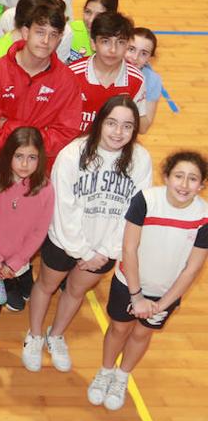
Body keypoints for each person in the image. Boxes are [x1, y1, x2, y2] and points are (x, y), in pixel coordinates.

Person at [23, 97, 152, 373]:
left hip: (105, 248)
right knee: (46, 285)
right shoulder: (73, 154)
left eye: (127, 126)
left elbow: (135, 212)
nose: (118, 132)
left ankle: (55, 335)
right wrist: (84, 251)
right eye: (112, 123)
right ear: (100, 123)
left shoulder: (140, 160)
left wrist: (106, 251)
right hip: (65, 241)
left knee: (76, 291)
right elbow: (62, 208)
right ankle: (33, 335)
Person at [91, 152, 208, 411]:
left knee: (142, 332)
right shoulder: (146, 200)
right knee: (119, 329)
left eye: (192, 179)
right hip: (130, 283)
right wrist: (137, 296)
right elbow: (129, 248)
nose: (184, 184)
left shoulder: (204, 217)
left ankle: (122, 376)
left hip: (166, 293)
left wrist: (163, 304)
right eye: (179, 176)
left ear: (201, 186)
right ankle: (105, 371)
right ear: (166, 177)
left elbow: (192, 269)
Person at [0, 0, 82, 172]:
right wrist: (41, 132)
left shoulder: (67, 82)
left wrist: (9, 126)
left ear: (60, 38)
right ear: (25, 32)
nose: (46, 41)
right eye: (40, 32)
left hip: (39, 175)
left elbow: (65, 134)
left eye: (53, 35)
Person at [0, 127, 53, 363]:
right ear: (8, 155)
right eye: (19, 156)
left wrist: (15, 263)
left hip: (14, 263)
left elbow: (40, 232)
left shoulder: (45, 189)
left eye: (32, 158)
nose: (25, 164)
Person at [69, 11, 147, 134]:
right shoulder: (71, 75)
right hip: (75, 148)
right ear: (93, 43)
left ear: (127, 45)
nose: (113, 50)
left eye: (120, 42)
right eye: (105, 41)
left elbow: (137, 126)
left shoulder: (136, 80)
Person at [128, 27, 162, 134]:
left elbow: (143, 128)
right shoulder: (107, 67)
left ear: (149, 59)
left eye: (143, 53)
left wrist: (136, 97)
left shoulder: (152, 80)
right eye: (131, 49)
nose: (135, 57)